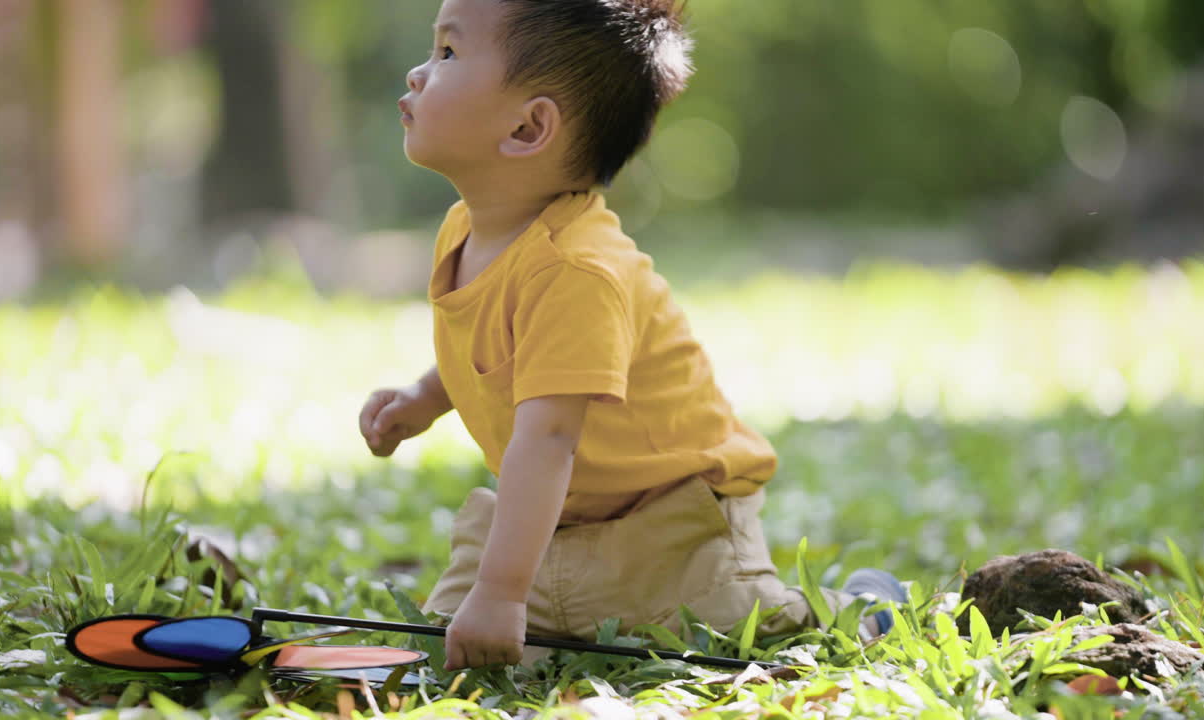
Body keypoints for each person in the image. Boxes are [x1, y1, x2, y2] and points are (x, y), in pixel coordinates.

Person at [358, 0, 906, 671]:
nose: (418, 73)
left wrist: (503, 593)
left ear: (529, 127)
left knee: (741, 637)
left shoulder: (578, 271)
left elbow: (549, 437)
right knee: (446, 644)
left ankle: (865, 606)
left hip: (670, 522)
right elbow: (508, 355)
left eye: (447, 53)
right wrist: (424, 396)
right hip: (563, 520)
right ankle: (546, 600)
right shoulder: (466, 230)